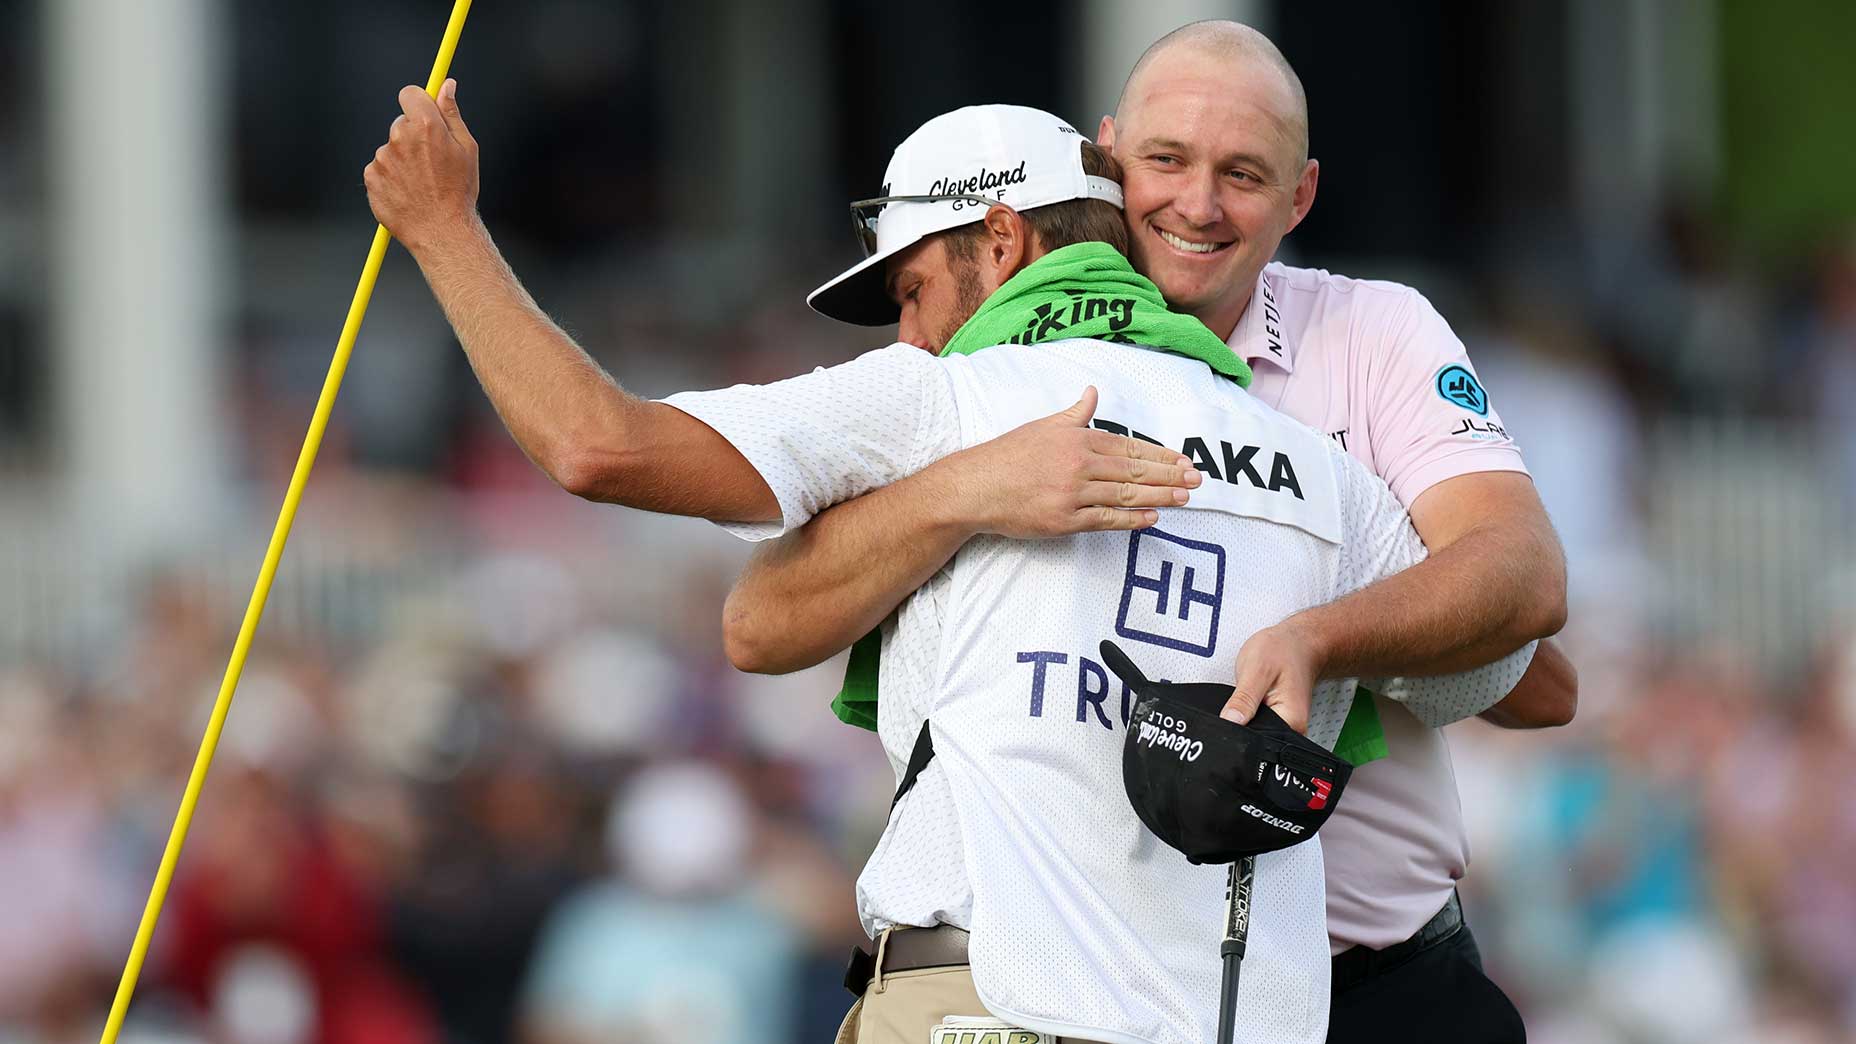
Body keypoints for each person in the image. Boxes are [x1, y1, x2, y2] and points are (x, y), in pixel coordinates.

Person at [364, 86, 1534, 1042]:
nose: (911, 331)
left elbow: (596, 445)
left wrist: (442, 227)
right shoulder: (1323, 478)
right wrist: (1312, 624)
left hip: (979, 1008)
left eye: (914, 288)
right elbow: (1506, 667)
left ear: (1002, 239)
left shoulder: (945, 394)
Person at [720, 21, 1576, 1044]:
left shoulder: (1368, 331)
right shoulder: (983, 371)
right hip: (1093, 992)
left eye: (1243, 174)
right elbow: (757, 619)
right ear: (1105, 160)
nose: (1197, 204)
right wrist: (969, 491)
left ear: (1300, 196)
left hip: (1367, 977)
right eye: (1165, 161)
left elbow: (1527, 616)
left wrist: (1319, 628)